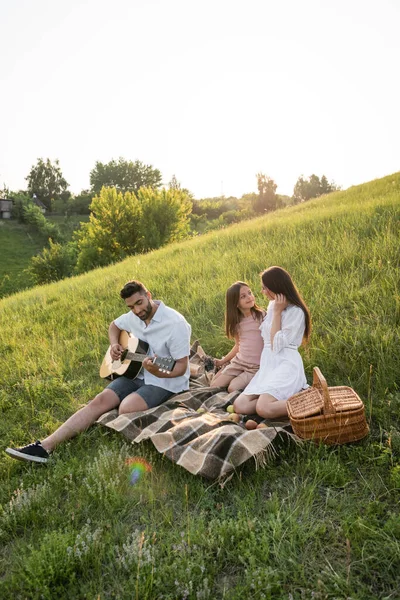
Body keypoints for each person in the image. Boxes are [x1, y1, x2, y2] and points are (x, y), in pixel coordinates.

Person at [5, 280, 191, 464]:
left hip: (164, 380)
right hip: (137, 373)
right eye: (131, 306)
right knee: (99, 401)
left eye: (139, 303)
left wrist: (157, 372)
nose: (136, 311)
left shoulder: (175, 323)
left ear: (148, 296)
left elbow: (181, 367)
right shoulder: (134, 316)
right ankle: (44, 447)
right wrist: (115, 344)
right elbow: (114, 326)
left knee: (126, 408)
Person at [233, 266, 311, 419]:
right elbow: (266, 337)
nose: (262, 292)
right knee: (240, 405)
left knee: (264, 409)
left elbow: (276, 344)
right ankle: (285, 399)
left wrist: (276, 313)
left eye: (264, 288)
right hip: (269, 365)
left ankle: (311, 399)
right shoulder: (273, 304)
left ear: (276, 287)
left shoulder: (296, 312)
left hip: (286, 364)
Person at [210, 281, 264, 392]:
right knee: (213, 385)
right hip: (239, 362)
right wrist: (222, 361)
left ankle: (238, 378)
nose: (249, 297)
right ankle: (227, 367)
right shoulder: (237, 322)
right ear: (236, 303)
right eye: (243, 296)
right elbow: (238, 345)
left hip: (255, 367)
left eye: (250, 293)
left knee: (232, 388)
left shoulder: (261, 315)